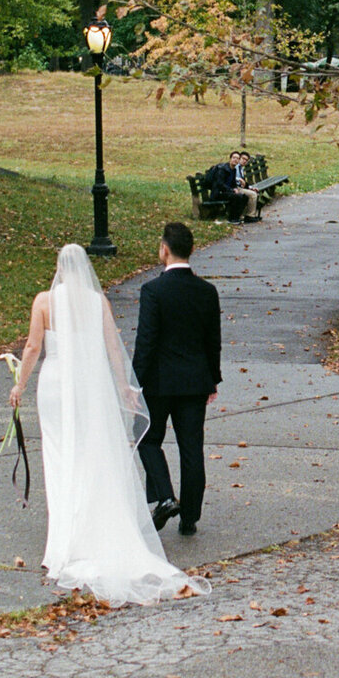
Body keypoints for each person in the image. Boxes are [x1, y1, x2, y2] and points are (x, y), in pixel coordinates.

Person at [9, 244, 202, 606]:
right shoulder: (98, 302)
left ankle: (66, 537)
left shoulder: (43, 301)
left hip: (55, 387)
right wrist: (123, 386)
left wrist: (19, 383)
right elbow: (114, 349)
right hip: (90, 385)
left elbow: (34, 347)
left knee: (60, 455)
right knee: (93, 452)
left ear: (60, 269)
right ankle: (92, 526)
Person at [133, 222, 222, 537]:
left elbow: (146, 342)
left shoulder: (153, 291)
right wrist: (213, 379)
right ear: (192, 250)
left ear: (164, 249)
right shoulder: (207, 292)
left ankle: (166, 496)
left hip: (158, 383)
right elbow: (213, 340)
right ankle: (190, 518)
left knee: (147, 438)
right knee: (191, 447)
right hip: (195, 381)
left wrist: (135, 383)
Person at [232, 150, 261, 222]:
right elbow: (233, 178)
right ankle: (250, 216)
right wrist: (239, 179)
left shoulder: (241, 168)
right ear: (239, 158)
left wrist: (251, 187)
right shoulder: (236, 167)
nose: (244, 161)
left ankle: (249, 214)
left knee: (254, 192)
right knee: (253, 195)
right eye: (243, 159)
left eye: (246, 160)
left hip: (240, 187)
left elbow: (244, 182)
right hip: (235, 187)